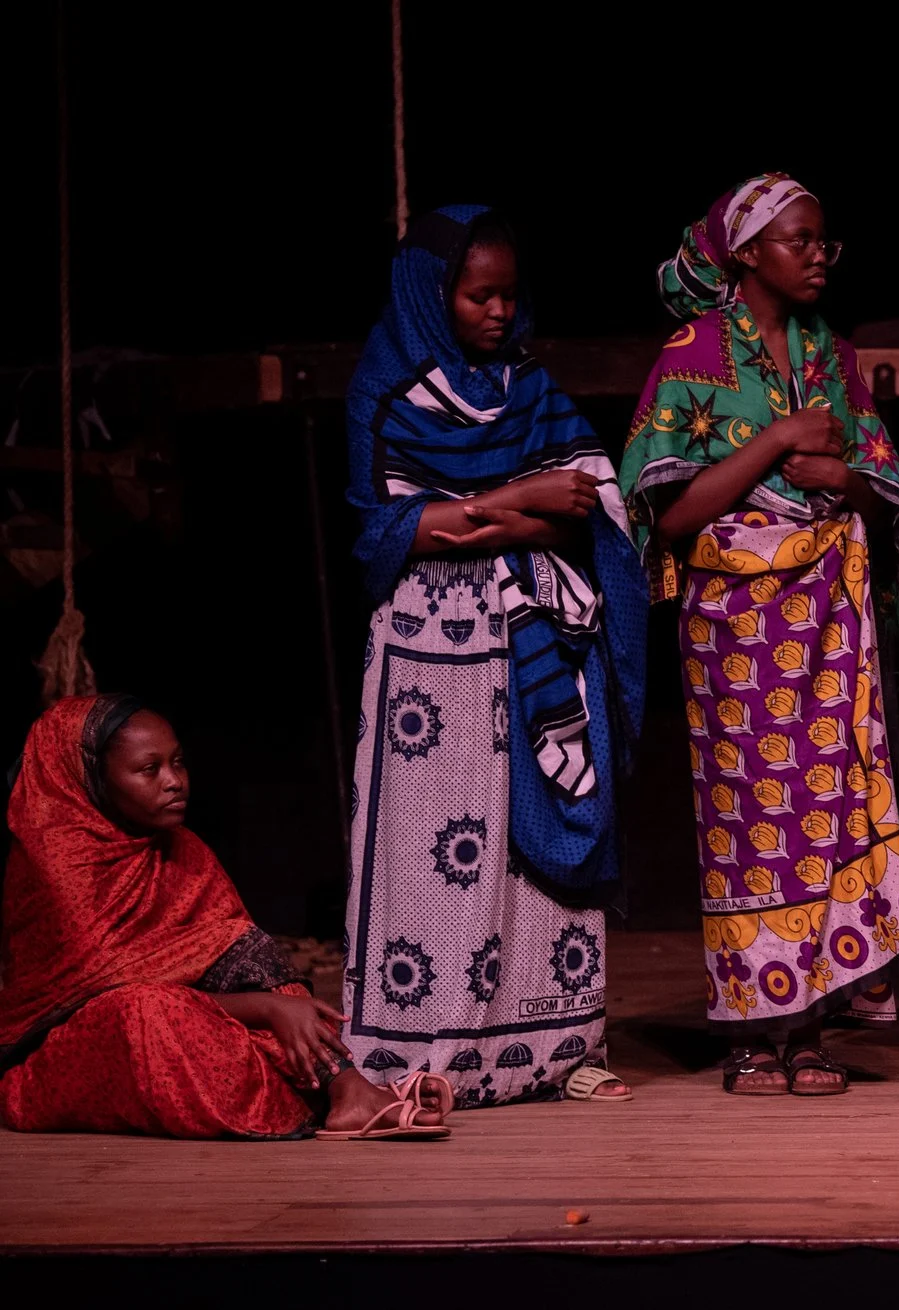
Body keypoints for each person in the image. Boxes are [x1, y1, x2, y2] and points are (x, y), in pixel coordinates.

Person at [342, 205, 643, 1107]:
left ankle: (555, 1047)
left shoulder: (532, 389)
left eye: (511, 294)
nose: (500, 312)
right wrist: (519, 500)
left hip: (537, 636)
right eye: (480, 295)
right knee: (440, 849)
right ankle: (421, 1055)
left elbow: (586, 509)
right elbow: (389, 536)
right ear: (435, 297)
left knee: (530, 835)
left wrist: (481, 514)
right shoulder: (387, 397)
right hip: (427, 656)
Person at [622, 174, 899, 1095]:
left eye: (825, 240)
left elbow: (876, 486)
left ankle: (815, 1022)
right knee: (752, 816)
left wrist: (836, 467)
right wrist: (779, 440)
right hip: (740, 629)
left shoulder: (833, 353)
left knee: (828, 806)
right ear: (748, 253)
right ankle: (755, 1025)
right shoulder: (692, 356)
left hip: (829, 611)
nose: (818, 255)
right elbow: (669, 516)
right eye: (799, 240)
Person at [2, 695, 454, 1141]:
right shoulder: (59, 861)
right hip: (66, 1050)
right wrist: (267, 1009)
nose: (174, 781)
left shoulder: (183, 850)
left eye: (177, 762)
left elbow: (230, 958)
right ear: (91, 779)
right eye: (148, 769)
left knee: (252, 965)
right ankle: (329, 1096)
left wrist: (277, 1004)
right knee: (145, 1014)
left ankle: (345, 1090)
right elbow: (108, 991)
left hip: (188, 1013)